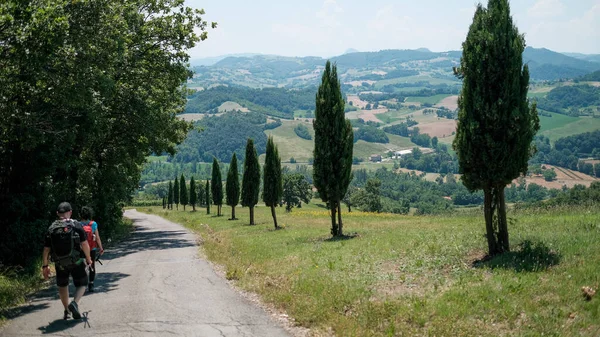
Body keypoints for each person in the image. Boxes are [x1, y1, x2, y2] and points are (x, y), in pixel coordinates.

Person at [42, 202, 93, 320]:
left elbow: (46, 249)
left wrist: (45, 266)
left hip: (60, 264)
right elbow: (84, 244)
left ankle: (66, 310)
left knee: (62, 286)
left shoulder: (52, 228)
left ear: (57, 213)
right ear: (70, 212)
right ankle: (74, 303)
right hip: (77, 261)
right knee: (83, 283)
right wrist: (89, 259)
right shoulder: (75, 225)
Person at [79, 206, 104, 292]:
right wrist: (101, 248)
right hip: (92, 248)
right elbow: (97, 237)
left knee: (82, 266)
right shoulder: (93, 224)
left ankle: (83, 285)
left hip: (81, 249)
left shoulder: (78, 224)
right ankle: (91, 284)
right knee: (92, 266)